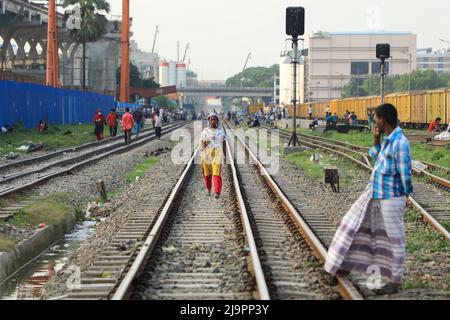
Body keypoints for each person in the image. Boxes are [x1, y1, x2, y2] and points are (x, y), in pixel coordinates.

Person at [325, 103, 413, 295]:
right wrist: (376, 139)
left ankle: (395, 281)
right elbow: (376, 156)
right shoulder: (389, 139)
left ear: (383, 119)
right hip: (374, 192)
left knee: (394, 239)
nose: (374, 121)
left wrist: (406, 195)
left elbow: (406, 173)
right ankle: (344, 264)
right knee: (353, 225)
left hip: (391, 197)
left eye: (375, 118)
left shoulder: (400, 143)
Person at [200, 113, 227, 199]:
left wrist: (225, 155)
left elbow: (224, 143)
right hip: (207, 153)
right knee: (207, 173)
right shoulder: (205, 131)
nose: (213, 121)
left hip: (217, 153)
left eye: (214, 119)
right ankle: (208, 189)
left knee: (216, 172)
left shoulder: (221, 131)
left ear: (217, 121)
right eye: (211, 119)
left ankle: (217, 192)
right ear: (209, 121)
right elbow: (203, 143)